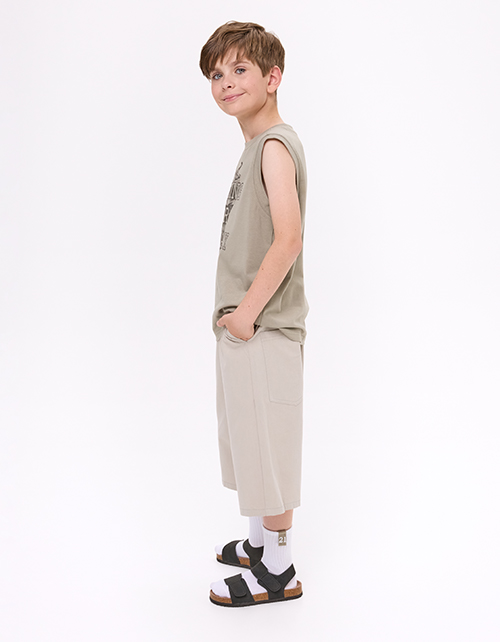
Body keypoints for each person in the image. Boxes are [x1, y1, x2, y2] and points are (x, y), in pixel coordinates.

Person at [199, 21, 309, 607]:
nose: (226, 82)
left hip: (264, 327)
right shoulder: (254, 147)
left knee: (270, 449)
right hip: (246, 328)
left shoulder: (273, 146)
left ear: (273, 77)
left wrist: (245, 315)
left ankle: (278, 571)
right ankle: (259, 543)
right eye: (217, 74)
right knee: (249, 442)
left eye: (240, 69)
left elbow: (288, 238)